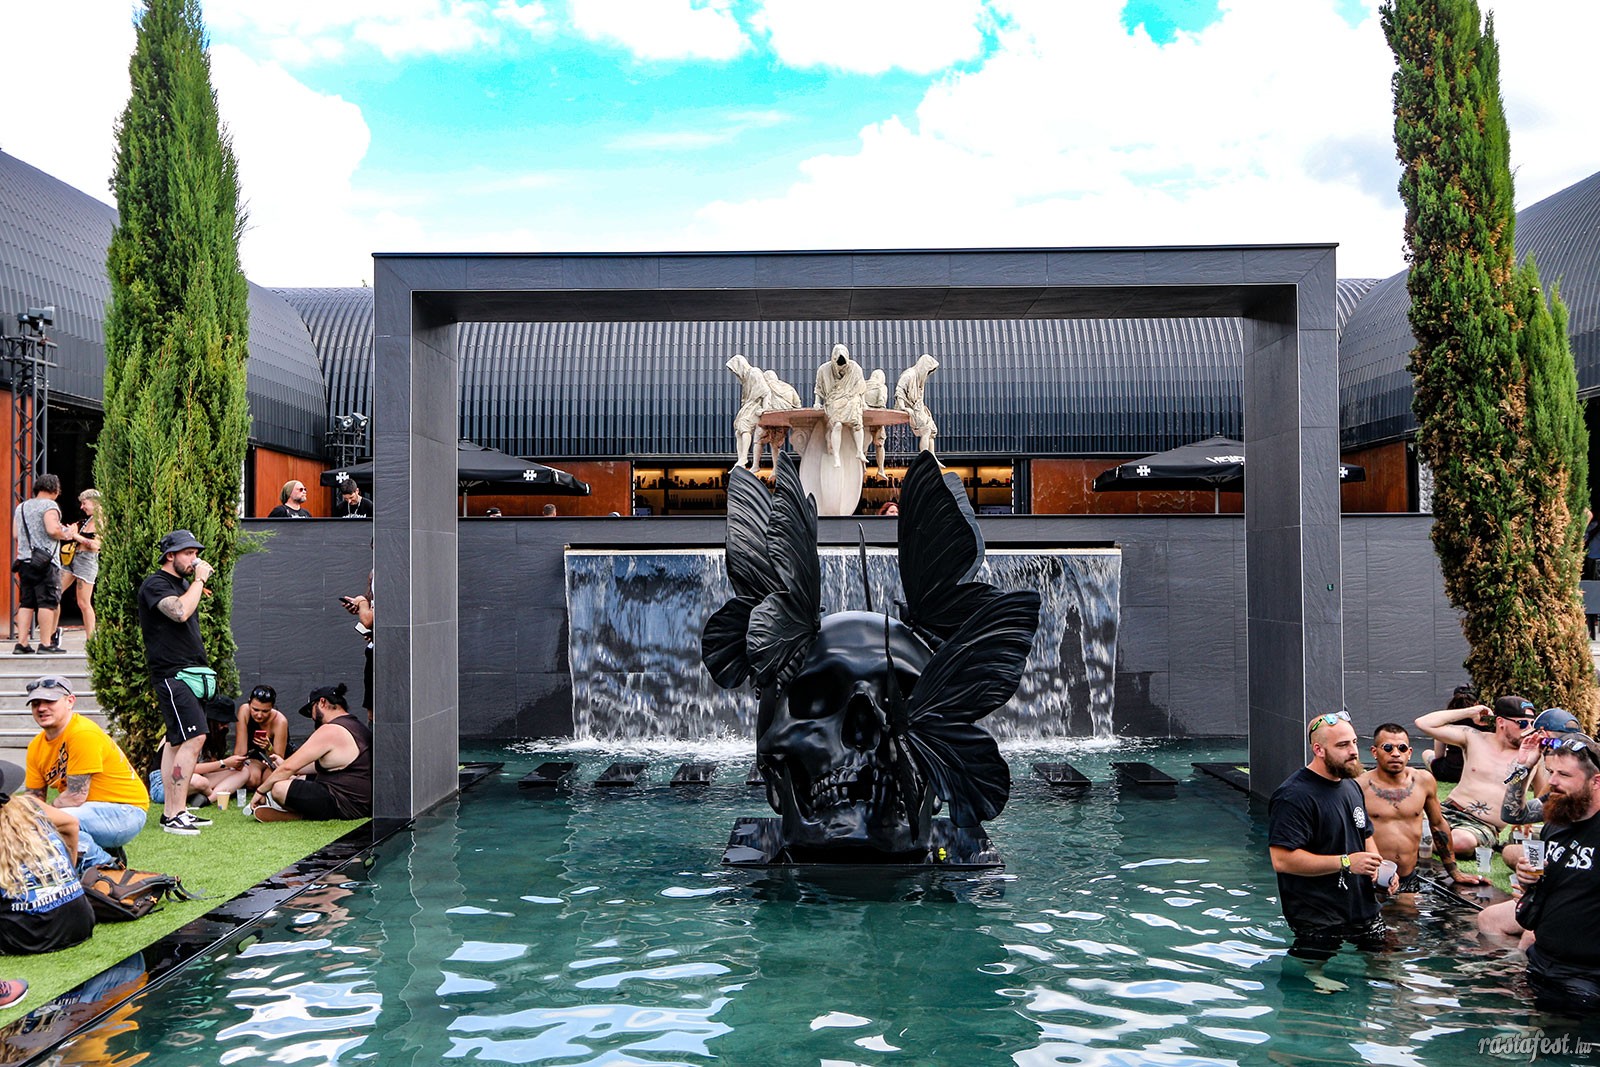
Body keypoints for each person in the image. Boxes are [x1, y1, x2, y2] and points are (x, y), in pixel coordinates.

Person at [1267, 711, 1387, 961]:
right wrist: (1346, 862)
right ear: (1318, 750)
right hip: (1318, 917)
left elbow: (1365, 833)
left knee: (1386, 969)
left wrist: (1379, 868)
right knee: (1315, 981)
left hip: (1362, 908)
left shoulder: (1351, 785)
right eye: (1342, 745)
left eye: (1354, 742)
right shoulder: (1293, 796)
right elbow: (1282, 860)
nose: (1353, 751)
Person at [20, 675, 150, 868]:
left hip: (125, 812)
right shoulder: (36, 746)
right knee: (35, 822)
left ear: (70, 701)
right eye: (36, 703)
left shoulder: (82, 733)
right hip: (91, 813)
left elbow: (75, 796)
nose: (41, 708)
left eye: (50, 701)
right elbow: (34, 798)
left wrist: (40, 814)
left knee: (47, 823)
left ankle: (106, 864)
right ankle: (105, 853)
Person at [1511, 733, 1600, 1013]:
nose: (1552, 781)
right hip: (1541, 961)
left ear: (1596, 781)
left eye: (1564, 775)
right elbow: (1513, 814)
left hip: (1585, 978)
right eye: (1551, 772)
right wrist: (1527, 879)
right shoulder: (1558, 818)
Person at [137, 530, 216, 835]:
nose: (195, 560)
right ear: (170, 556)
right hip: (173, 674)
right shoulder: (155, 584)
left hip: (189, 673)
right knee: (195, 738)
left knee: (177, 741)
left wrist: (194, 584)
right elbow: (180, 612)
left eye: (196, 554)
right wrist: (199, 581)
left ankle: (173, 811)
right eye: (188, 553)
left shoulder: (182, 584)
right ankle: (175, 815)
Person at [1356, 723, 1481, 893]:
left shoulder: (1423, 781)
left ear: (1409, 753)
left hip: (1409, 877)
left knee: (1408, 909)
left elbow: (1438, 824)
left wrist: (1453, 871)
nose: (1395, 753)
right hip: (1370, 877)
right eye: (1388, 748)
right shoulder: (1360, 786)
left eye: (1401, 748)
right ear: (1374, 752)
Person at [1414, 694, 1542, 857]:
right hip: (1447, 810)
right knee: (1402, 815)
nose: (1529, 729)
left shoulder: (1534, 756)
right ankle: (1419, 838)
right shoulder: (1475, 738)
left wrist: (1527, 820)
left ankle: (1415, 841)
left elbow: (1542, 794)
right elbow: (1423, 723)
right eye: (1522, 723)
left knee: (1461, 842)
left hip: (1482, 826)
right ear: (1501, 722)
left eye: (1532, 724)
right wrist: (1469, 712)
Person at [249, 683, 372, 821]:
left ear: (322, 702)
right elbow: (319, 765)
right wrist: (283, 764)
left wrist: (260, 790)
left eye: (311, 710)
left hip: (345, 803)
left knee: (279, 788)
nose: (313, 718)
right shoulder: (355, 725)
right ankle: (298, 813)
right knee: (293, 779)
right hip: (358, 800)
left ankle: (300, 815)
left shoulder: (331, 729)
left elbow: (289, 768)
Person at [0, 791, 95, 955]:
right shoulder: (29, 804)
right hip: (81, 922)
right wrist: (69, 875)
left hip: (25, 937)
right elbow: (71, 824)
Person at [11, 473, 74, 655]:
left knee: (26, 602)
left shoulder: (21, 507)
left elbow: (16, 534)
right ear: (55, 490)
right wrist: (67, 533)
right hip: (46, 562)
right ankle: (45, 643)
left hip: (24, 561)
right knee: (47, 602)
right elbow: (52, 529)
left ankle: (22, 643)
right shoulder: (50, 506)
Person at [203, 686, 289, 808]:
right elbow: (240, 751)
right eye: (255, 709)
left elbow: (278, 760)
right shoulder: (244, 711)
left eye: (265, 711)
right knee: (252, 779)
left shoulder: (280, 721)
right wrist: (233, 763)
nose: (259, 715)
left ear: (272, 707)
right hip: (254, 758)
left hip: (274, 759)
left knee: (269, 782)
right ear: (249, 703)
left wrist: (268, 747)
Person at [55, 487, 102, 645]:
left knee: (83, 602)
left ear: (95, 502)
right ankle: (54, 631)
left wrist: (75, 535)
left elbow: (96, 545)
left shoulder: (102, 521)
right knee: (54, 592)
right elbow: (72, 533)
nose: (82, 507)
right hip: (72, 558)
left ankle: (91, 639)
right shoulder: (86, 521)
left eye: (84, 503)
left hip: (87, 561)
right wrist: (67, 531)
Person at [1421, 684, 1481, 783]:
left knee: (1427, 753)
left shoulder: (1444, 722)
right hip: (1478, 773)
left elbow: (1438, 755)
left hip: (1451, 772)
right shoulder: (1485, 722)